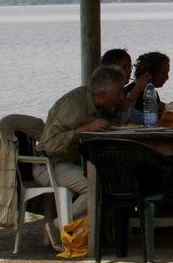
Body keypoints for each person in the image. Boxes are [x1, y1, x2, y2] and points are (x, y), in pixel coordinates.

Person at [36, 65, 125, 219]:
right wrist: (85, 129)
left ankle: (93, 234)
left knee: (114, 180)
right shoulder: (72, 105)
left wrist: (116, 115)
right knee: (95, 188)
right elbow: (50, 144)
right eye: (118, 92)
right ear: (103, 93)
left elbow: (102, 130)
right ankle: (58, 226)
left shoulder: (99, 105)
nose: (122, 97)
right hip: (51, 163)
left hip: (78, 162)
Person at [123, 51, 171, 123]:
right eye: (164, 73)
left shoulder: (152, 92)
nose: (167, 77)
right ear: (150, 73)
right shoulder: (129, 91)